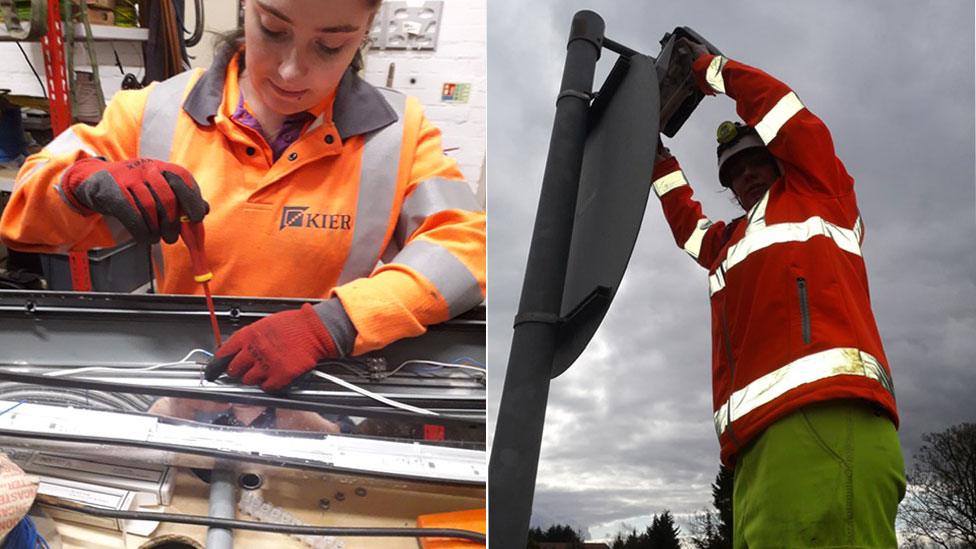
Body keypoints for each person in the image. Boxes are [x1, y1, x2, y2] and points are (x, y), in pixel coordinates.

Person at [0, 0, 485, 395]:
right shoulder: (153, 111)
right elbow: (24, 215)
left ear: (367, 28)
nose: (293, 71)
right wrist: (82, 183)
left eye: (331, 44)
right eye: (273, 30)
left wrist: (332, 326)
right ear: (244, 8)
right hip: (184, 377)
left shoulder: (399, 135)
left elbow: (469, 249)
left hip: (316, 382)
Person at [651, 39, 904, 547]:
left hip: (827, 420)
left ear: (780, 162)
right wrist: (655, 160)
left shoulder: (819, 194)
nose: (743, 176)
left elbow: (785, 114)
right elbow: (689, 229)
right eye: (732, 172)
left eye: (754, 162)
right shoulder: (729, 242)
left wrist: (709, 72)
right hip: (754, 450)